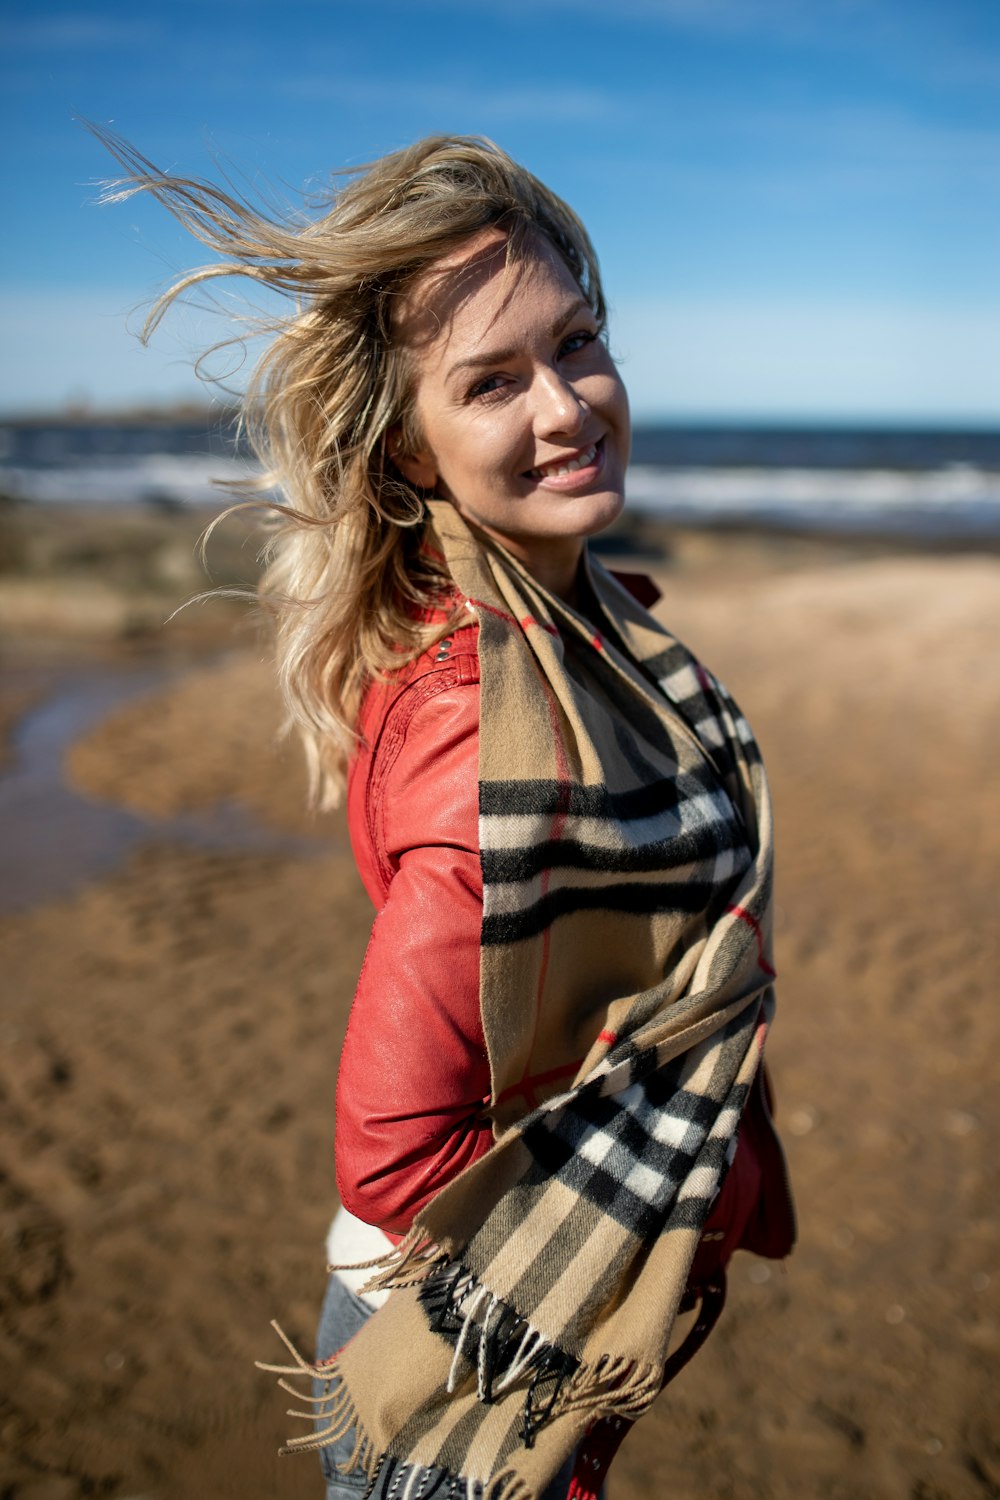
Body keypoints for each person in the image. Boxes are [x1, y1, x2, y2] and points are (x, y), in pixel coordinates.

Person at [96, 129, 795, 1500]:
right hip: (469, 1336)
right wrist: (669, 1190)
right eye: (492, 382)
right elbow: (394, 1151)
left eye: (577, 343)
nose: (566, 405)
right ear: (410, 452)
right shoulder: (487, 718)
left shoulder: (566, 629)